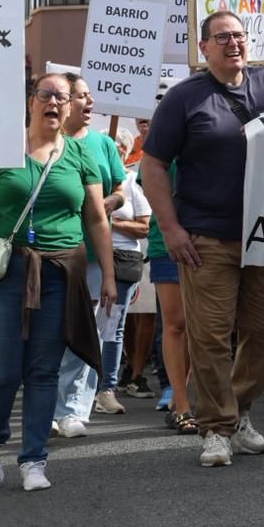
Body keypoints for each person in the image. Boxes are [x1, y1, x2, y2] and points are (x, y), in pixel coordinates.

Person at [141, 10, 264, 467]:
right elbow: (152, 166)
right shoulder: (183, 98)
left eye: (239, 35)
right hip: (206, 238)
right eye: (222, 37)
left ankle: (237, 412)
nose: (233, 43)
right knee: (210, 337)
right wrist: (170, 229)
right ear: (203, 47)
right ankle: (215, 429)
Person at [0, 73, 116, 492]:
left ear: (70, 107)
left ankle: (34, 459)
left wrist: (108, 274)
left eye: (63, 97)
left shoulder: (79, 154)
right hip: (7, 271)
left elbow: (95, 218)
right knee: (1, 370)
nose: (55, 102)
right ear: (31, 101)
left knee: (43, 370)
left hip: (60, 272)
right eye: (47, 95)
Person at [52, 75, 129, 436]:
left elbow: (119, 191)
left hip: (95, 256)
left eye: (90, 96)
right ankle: (50, 406)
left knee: (89, 331)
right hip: (55, 253)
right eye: (81, 96)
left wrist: (103, 204)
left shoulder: (104, 144)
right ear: (65, 102)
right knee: (53, 331)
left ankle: (75, 409)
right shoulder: (43, 144)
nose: (89, 103)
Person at [140, 81, 198, 434]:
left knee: (200, 326)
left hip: (208, 242)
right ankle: (181, 401)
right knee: (176, 323)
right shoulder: (157, 147)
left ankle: (188, 395)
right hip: (166, 243)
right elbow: (148, 183)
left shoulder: (200, 137)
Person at [95, 148, 152, 415]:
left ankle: (107, 388)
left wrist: (111, 223)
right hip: (90, 257)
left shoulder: (130, 182)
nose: (114, 154)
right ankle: (80, 388)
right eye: (108, 148)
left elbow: (144, 226)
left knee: (113, 326)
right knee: (88, 324)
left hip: (123, 260)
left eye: (118, 149)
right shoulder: (87, 176)